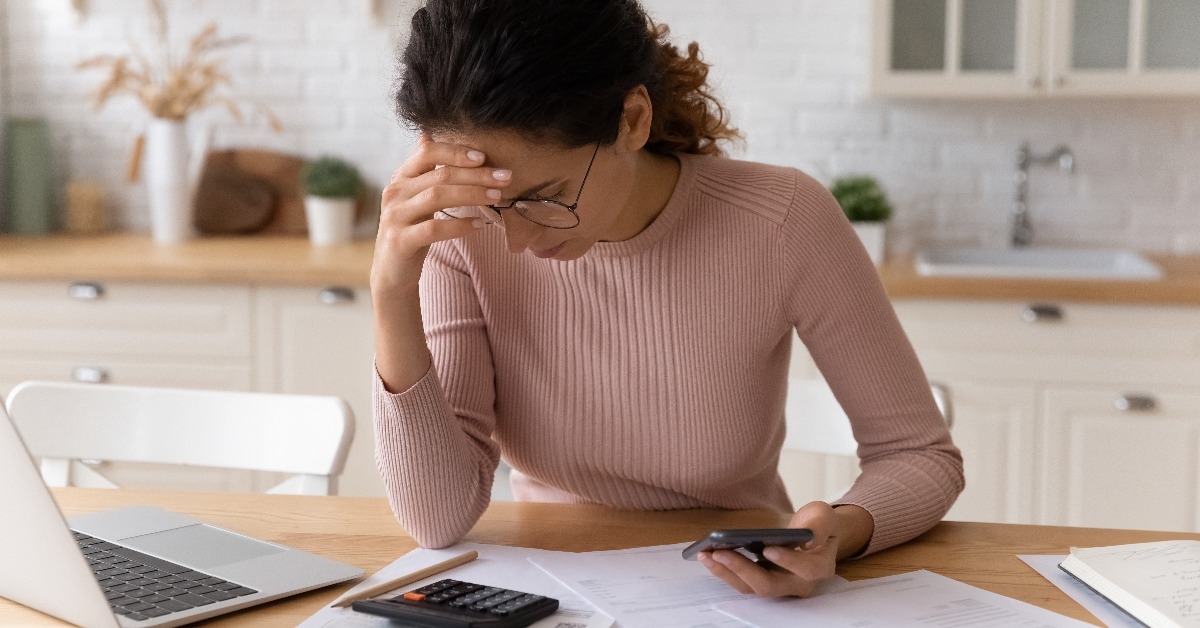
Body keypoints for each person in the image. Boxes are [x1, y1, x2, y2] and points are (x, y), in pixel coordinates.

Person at [371, 0, 964, 598]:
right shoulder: (463, 236)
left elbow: (918, 455)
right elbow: (435, 518)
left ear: (631, 119)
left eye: (544, 197)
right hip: (553, 592)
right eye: (495, 206)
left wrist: (839, 532)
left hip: (738, 595)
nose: (517, 239)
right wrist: (392, 290)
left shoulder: (782, 220)